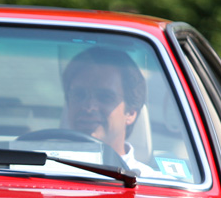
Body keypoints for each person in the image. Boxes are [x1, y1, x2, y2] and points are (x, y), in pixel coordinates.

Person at [61, 47, 160, 176]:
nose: (89, 107)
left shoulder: (151, 183)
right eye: (79, 95)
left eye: (105, 97)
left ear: (131, 112)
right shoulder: (39, 171)